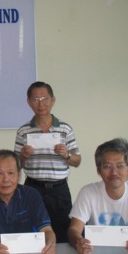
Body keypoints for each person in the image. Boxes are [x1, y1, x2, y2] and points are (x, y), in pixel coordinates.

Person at [14, 81, 81, 243]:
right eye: (35, 99)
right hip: (33, 188)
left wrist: (66, 155)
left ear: (53, 100)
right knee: (31, 233)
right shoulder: (23, 130)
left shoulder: (65, 129)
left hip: (59, 189)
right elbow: (15, 165)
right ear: (29, 102)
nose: (41, 103)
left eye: (45, 99)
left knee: (62, 234)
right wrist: (23, 156)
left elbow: (77, 160)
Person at [0, 150, 56, 254]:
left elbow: (47, 230)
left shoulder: (31, 195)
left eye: (11, 173)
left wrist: (51, 244)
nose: (6, 179)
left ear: (19, 175)